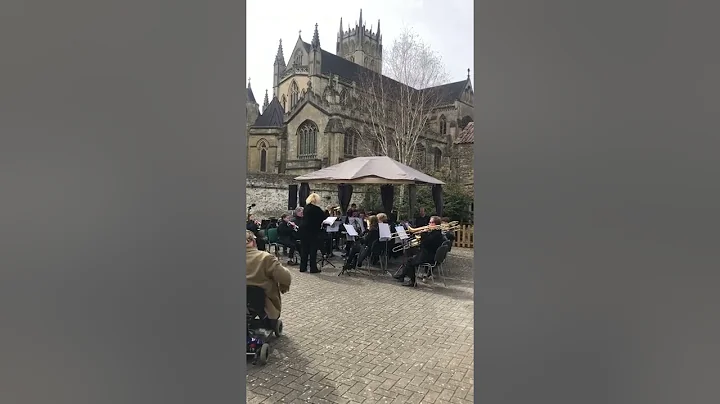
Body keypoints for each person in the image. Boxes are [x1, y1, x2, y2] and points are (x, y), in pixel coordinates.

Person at [245, 230, 292, 326]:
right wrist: (284, 285)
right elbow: (285, 277)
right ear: (253, 242)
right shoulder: (265, 257)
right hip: (263, 301)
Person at [394, 216, 445, 287]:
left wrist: (423, 234)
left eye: (431, 222)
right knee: (410, 253)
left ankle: (412, 282)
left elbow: (425, 244)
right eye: (429, 222)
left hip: (428, 256)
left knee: (409, 261)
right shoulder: (435, 233)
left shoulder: (436, 235)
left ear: (436, 224)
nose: (429, 224)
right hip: (428, 253)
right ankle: (402, 276)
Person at [298, 193, 328, 273]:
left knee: (304, 249)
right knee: (312, 250)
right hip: (313, 231)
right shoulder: (317, 209)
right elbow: (324, 218)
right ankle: (312, 268)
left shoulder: (306, 208)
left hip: (303, 230)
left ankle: (302, 267)